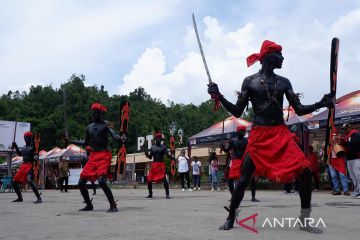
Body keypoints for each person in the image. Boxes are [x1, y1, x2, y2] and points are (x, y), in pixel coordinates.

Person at [208, 40, 332, 232]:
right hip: (259, 137)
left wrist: (320, 103)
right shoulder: (250, 82)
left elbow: (298, 109)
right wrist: (220, 96)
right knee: (243, 179)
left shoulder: (284, 82)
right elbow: (238, 111)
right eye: (279, 55)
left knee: (305, 172)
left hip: (281, 134)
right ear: (268, 56)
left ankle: (305, 220)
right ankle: (231, 216)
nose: (282, 58)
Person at [70, 103, 120, 212]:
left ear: (101, 113)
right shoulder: (89, 127)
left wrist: (121, 138)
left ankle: (113, 205)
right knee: (80, 182)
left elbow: (114, 135)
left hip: (104, 155)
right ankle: (89, 204)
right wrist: (71, 141)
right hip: (93, 156)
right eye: (94, 112)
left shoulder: (107, 124)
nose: (95, 114)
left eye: (97, 112)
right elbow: (85, 142)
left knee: (101, 181)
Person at [221, 125, 259, 202]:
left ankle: (253, 196)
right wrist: (223, 147)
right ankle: (233, 196)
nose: (243, 133)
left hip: (245, 161)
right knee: (230, 180)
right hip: (235, 162)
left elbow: (251, 149)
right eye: (241, 131)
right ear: (237, 132)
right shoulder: (232, 141)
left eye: (244, 131)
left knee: (252, 178)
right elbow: (227, 150)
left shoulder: (247, 140)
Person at [11, 132, 42, 203]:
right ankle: (20, 198)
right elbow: (20, 154)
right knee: (14, 182)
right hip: (23, 166)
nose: (25, 139)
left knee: (29, 180)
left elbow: (36, 153)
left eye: (27, 137)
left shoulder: (33, 147)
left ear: (30, 138)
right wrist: (15, 146)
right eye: (25, 137)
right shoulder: (24, 148)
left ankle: (39, 198)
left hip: (30, 165)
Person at [145, 132, 171, 199]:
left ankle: (167, 194)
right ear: (155, 139)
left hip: (160, 165)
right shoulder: (152, 147)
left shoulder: (164, 147)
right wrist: (147, 154)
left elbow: (168, 156)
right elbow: (150, 157)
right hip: (154, 165)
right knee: (149, 179)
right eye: (157, 138)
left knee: (164, 179)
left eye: (160, 138)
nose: (158, 139)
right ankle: (150, 194)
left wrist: (171, 155)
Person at [341, 123, 360, 198]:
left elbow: (356, 143)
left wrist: (345, 142)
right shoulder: (347, 136)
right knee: (353, 176)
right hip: (349, 158)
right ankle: (357, 191)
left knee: (358, 175)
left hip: (356, 158)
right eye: (344, 129)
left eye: (346, 129)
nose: (345, 131)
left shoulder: (355, 134)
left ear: (350, 128)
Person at [328, 130, 349, 195]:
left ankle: (345, 190)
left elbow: (344, 141)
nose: (333, 138)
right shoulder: (329, 143)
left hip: (339, 159)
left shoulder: (340, 141)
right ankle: (337, 190)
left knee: (342, 175)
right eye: (332, 136)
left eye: (334, 136)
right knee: (333, 176)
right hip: (331, 160)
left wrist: (339, 138)